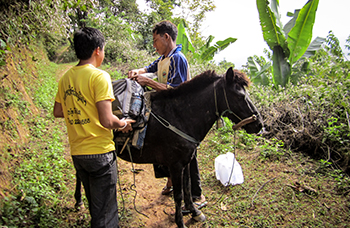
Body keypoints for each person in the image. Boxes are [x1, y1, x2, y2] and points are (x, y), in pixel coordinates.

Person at [53, 27, 135, 228]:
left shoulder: (66, 78)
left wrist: (81, 109)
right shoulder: (99, 77)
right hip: (100, 154)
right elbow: (107, 121)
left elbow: (57, 111)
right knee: (106, 214)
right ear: (97, 50)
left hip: (78, 154)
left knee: (96, 209)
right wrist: (123, 123)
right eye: (104, 49)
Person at [128, 20, 207, 208]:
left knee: (188, 153)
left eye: (156, 40)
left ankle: (197, 195)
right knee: (164, 145)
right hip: (169, 112)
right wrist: (138, 72)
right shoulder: (164, 57)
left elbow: (177, 89)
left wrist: (149, 83)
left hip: (182, 115)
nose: (154, 45)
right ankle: (171, 181)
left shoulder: (178, 58)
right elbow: (150, 68)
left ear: (166, 37)